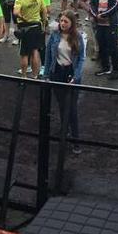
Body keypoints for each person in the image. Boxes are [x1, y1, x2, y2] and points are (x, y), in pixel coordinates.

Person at [43, 10, 85, 154]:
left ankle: (76, 140)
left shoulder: (77, 37)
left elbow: (81, 59)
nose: (62, 24)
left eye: (66, 22)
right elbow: (48, 56)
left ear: (72, 23)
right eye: (61, 21)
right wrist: (46, 75)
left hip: (71, 73)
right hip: (57, 72)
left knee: (72, 108)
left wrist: (76, 76)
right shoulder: (54, 35)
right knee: (61, 105)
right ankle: (64, 130)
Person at [80, 0, 118, 80]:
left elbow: (115, 5)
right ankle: (105, 67)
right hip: (99, 23)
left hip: (111, 22)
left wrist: (104, 15)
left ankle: (117, 70)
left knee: (113, 47)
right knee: (102, 45)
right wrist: (96, 15)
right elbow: (92, 4)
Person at [13, 0, 46, 79]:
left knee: (24, 53)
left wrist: (23, 18)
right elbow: (44, 11)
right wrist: (44, 24)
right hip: (37, 26)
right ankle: (35, 76)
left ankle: (23, 76)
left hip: (25, 28)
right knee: (35, 50)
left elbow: (15, 13)